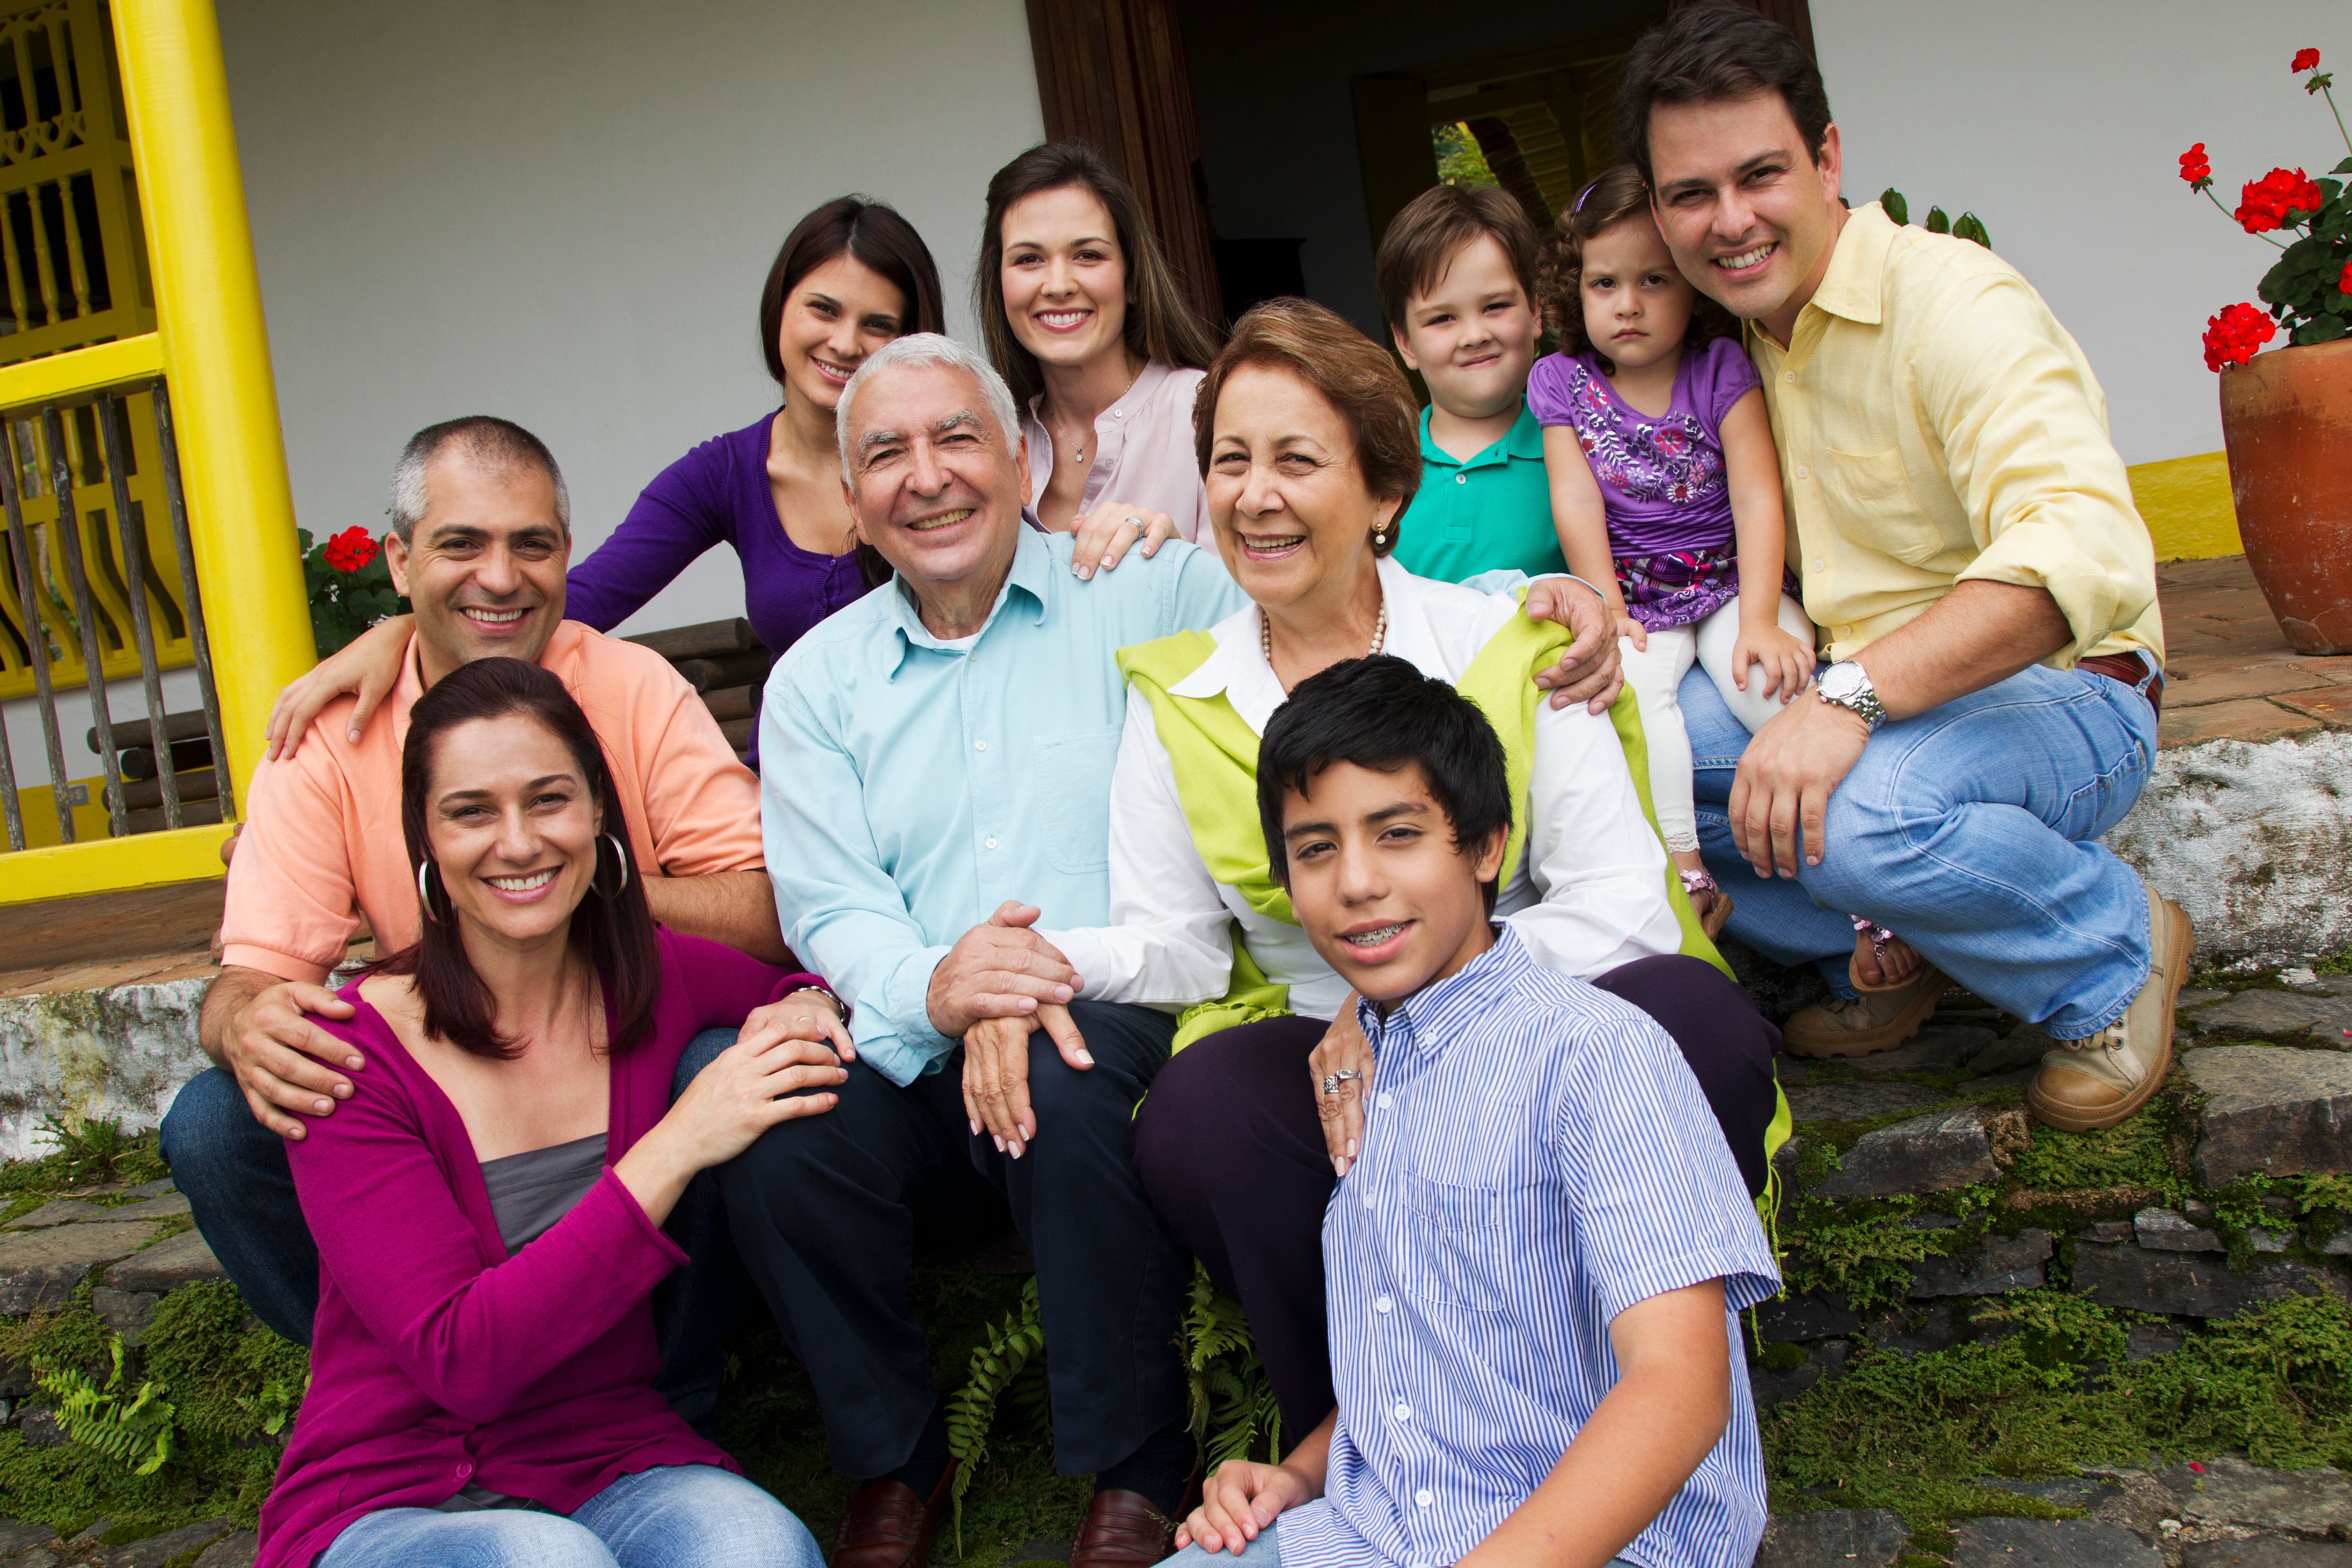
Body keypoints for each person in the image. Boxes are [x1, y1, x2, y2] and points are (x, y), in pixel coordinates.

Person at [738, 332, 1621, 1568]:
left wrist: (1547, 599)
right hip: (915, 1022)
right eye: (885, 452)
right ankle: (893, 1457)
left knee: (1067, 1071)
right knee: (780, 1125)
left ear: (1020, 455)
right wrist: (941, 986)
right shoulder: (818, 681)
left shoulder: (1147, 586)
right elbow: (828, 900)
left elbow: (1330, 609)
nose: (924, 475)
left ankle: (1135, 1464)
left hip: (1105, 992)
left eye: (956, 439)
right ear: (851, 499)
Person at [1036, 298, 1780, 1444]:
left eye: (1297, 458)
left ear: (1385, 493)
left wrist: (1419, 1015)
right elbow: (1177, 941)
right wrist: (1035, 961)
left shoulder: (1508, 643)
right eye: (1230, 461)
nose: (1254, 493)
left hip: (1536, 1006)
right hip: (1320, 1040)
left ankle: (1653, 1393)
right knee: (1200, 1112)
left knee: (1695, 1018)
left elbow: (1626, 906)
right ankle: (1362, 1441)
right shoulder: (1178, 695)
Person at [1619, 3, 2180, 1125]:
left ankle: (2109, 949)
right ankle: (1889, 945)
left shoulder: (1950, 302)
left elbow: (2085, 540)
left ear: (1827, 159)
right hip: (1873, 698)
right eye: (1689, 194)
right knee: (1626, 755)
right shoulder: (1741, 347)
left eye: (1759, 175)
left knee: (1859, 811)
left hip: (2068, 697)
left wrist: (1849, 698)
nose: (1728, 222)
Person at [164, 417, 776, 1395]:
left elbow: (764, 912)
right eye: (462, 544)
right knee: (215, 1125)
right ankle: (419, 1373)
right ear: (400, 563)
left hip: (615, 1064)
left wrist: (574, 886)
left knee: (726, 1065)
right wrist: (246, 1019)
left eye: (530, 544)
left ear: (566, 557)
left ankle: (663, 1379)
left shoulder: (629, 686)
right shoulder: (331, 729)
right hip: (437, 1093)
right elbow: (252, 975)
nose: (501, 577)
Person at [1160, 656, 1780, 1568]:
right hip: (1371, 1532)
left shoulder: (1596, 1055)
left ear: (1486, 846)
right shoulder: (1361, 1080)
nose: (1356, 881)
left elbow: (1680, 1385)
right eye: (1316, 847)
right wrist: (1295, 1476)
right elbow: (1434, 1368)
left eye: (1398, 833)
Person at [259, 656, 842, 1568]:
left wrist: (808, 1004)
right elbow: (465, 1360)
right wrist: (680, 1139)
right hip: (391, 1487)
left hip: (608, 1456)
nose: (519, 841)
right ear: (425, 835)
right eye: (471, 811)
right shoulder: (350, 1053)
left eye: (548, 799)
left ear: (599, 811)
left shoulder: (654, 979)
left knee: (758, 1544)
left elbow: (794, 979)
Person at [1532, 162, 1816, 939]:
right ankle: (1688, 873)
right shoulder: (1561, 382)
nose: (1628, 305)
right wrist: (1607, 604)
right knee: (1633, 702)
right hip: (1638, 594)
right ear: (1574, 291)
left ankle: (1857, 882)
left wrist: (1760, 616)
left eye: (1655, 281)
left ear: (1694, 285)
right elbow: (1577, 496)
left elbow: (1759, 496)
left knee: (1769, 684)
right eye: (1604, 284)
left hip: (1731, 583)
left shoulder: (1720, 370)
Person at [978, 140, 1220, 574]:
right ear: (999, 287)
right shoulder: (989, 440)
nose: (1058, 285)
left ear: (1132, 278)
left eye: (1088, 255)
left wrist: (1180, 567)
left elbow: (1261, 609)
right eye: (1029, 259)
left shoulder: (1208, 408)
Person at [1375, 183, 1565, 582]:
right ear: (1405, 342)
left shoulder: (1582, 449)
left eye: (1495, 306)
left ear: (1535, 311)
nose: (1474, 335)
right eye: (1442, 318)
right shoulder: (1377, 466)